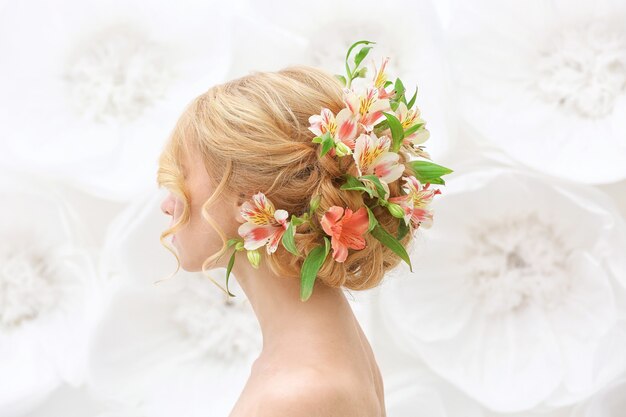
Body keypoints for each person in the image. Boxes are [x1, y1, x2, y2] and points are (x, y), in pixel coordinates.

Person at [157, 64, 417, 417]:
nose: (168, 204)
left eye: (182, 175)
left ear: (247, 197)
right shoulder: (330, 346)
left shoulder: (296, 394)